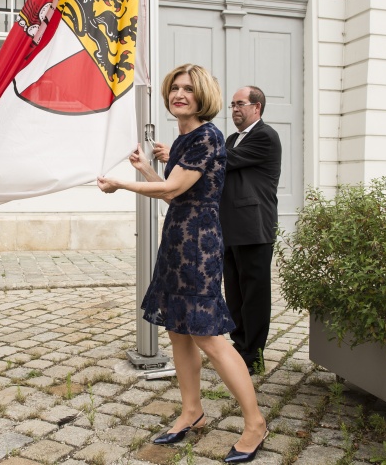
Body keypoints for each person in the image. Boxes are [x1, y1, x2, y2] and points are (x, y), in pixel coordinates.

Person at [98, 64, 268, 463]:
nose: (179, 94)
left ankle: (255, 423)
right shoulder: (184, 138)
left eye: (188, 89)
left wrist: (122, 182)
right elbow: (176, 195)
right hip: (177, 238)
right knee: (178, 330)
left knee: (209, 337)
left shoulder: (207, 136)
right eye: (175, 88)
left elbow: (173, 187)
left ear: (202, 96)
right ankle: (192, 412)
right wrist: (145, 169)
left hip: (198, 245)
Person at [153, 86, 281, 375]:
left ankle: (254, 355)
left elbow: (222, 161)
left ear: (257, 108)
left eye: (240, 104)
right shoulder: (232, 138)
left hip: (254, 226)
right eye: (232, 105)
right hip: (228, 225)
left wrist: (179, 154)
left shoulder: (265, 136)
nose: (234, 109)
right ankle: (240, 348)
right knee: (234, 292)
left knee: (254, 294)